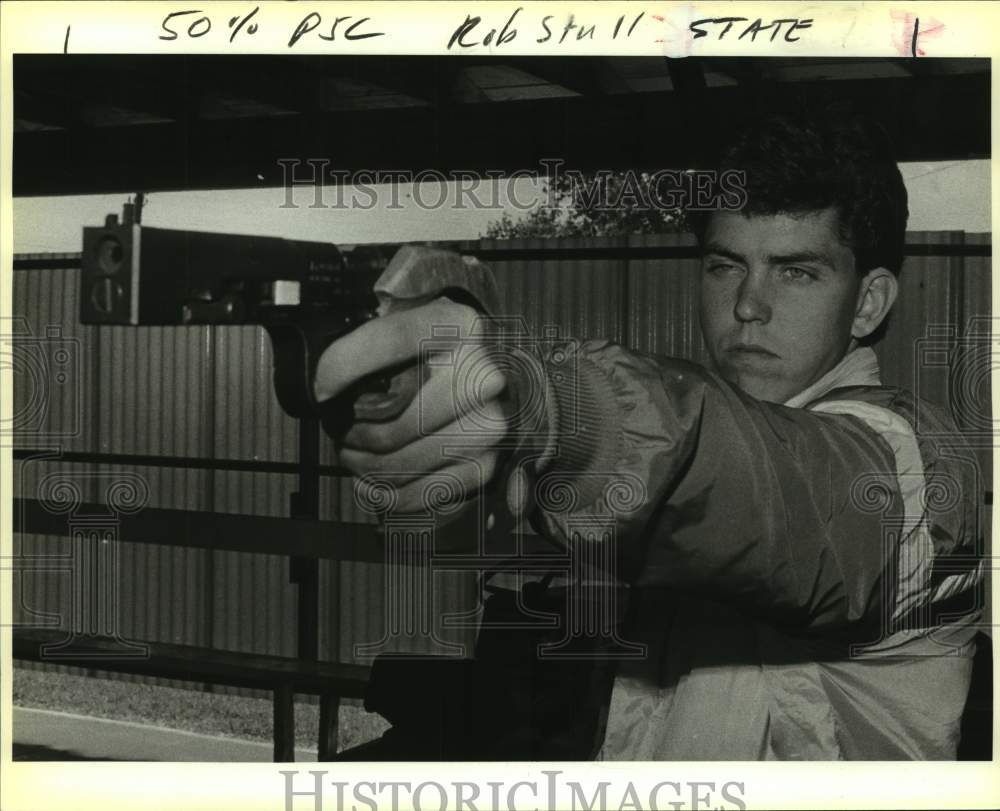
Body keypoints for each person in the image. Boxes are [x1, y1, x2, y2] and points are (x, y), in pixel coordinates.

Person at [315, 113, 984, 760]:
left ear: (868, 302)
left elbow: (759, 486)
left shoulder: (912, 467)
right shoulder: (666, 490)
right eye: (725, 266)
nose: (748, 305)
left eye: (795, 270)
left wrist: (559, 412)